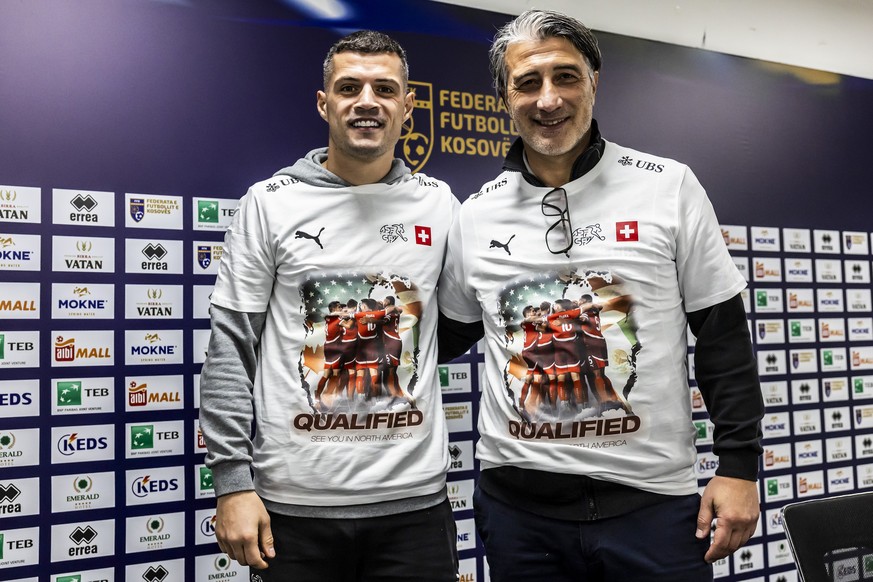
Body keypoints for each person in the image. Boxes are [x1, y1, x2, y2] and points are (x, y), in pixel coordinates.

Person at [438, 9, 764, 581]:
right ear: (504, 97)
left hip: (653, 507)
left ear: (594, 82)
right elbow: (440, 335)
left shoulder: (668, 186)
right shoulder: (476, 213)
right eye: (527, 82)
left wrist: (739, 466)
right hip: (519, 515)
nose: (548, 99)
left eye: (565, 76)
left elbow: (723, 336)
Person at [200, 30, 459, 581]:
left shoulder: (439, 204)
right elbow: (230, 353)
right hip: (294, 508)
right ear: (324, 103)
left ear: (408, 106)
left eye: (384, 89)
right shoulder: (269, 203)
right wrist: (232, 485)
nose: (367, 102)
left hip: (415, 506)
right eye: (349, 88)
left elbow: (460, 322)